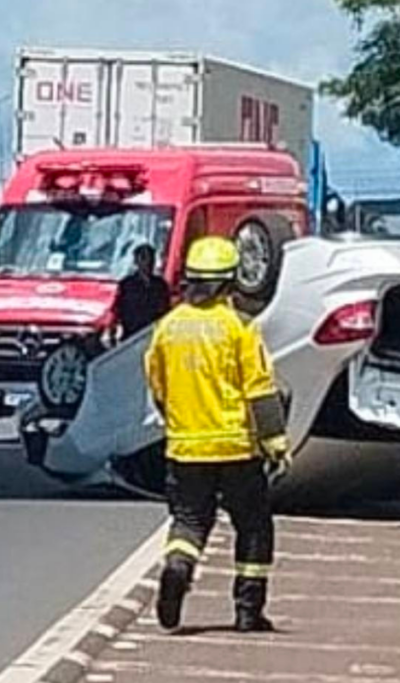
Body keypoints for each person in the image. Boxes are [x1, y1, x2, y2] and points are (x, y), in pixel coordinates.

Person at [144, 236, 291, 633]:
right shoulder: (238, 328)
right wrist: (276, 443)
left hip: (185, 449)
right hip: (236, 449)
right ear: (230, 283)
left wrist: (179, 424)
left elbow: (158, 388)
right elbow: (260, 389)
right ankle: (248, 610)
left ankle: (179, 566)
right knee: (254, 526)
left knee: (188, 523)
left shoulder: (167, 328)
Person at [113, 244, 171, 339]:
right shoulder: (127, 284)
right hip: (132, 333)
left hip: (153, 332)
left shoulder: (160, 285)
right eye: (143, 258)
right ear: (136, 261)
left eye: (151, 259)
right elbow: (121, 310)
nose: (148, 263)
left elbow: (165, 308)